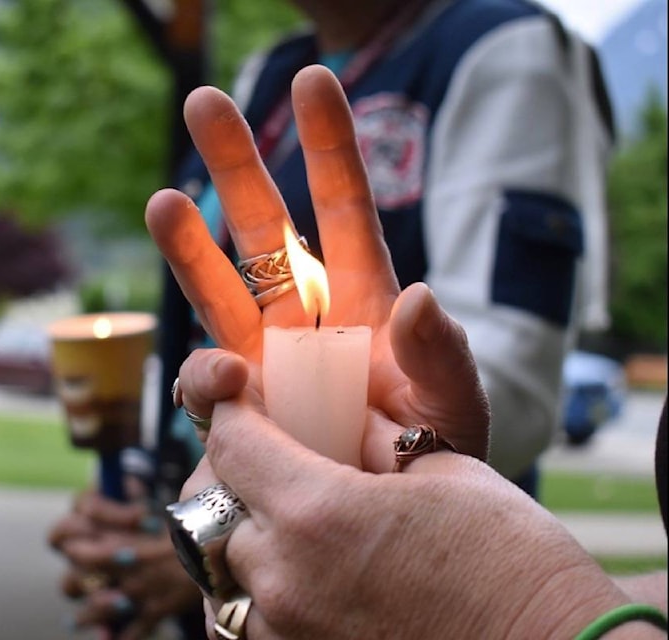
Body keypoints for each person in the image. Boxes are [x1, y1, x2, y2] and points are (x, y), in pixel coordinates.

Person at [49, 0, 616, 635]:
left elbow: (511, 385)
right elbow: (218, 340)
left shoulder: (502, 47)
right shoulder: (273, 71)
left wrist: (227, 525)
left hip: (424, 593)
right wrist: (153, 506)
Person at [149, 64, 667, 639]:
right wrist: (267, 558)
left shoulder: (502, 50)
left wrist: (523, 611)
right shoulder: (269, 68)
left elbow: (521, 373)